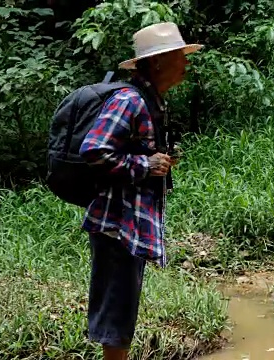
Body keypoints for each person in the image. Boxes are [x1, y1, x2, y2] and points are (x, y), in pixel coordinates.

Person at [77, 22, 203, 360]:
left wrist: (151, 162)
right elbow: (94, 150)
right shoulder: (129, 99)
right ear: (159, 61)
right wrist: (145, 166)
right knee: (118, 313)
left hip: (129, 223)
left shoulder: (152, 101)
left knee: (122, 311)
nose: (186, 63)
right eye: (180, 56)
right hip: (117, 222)